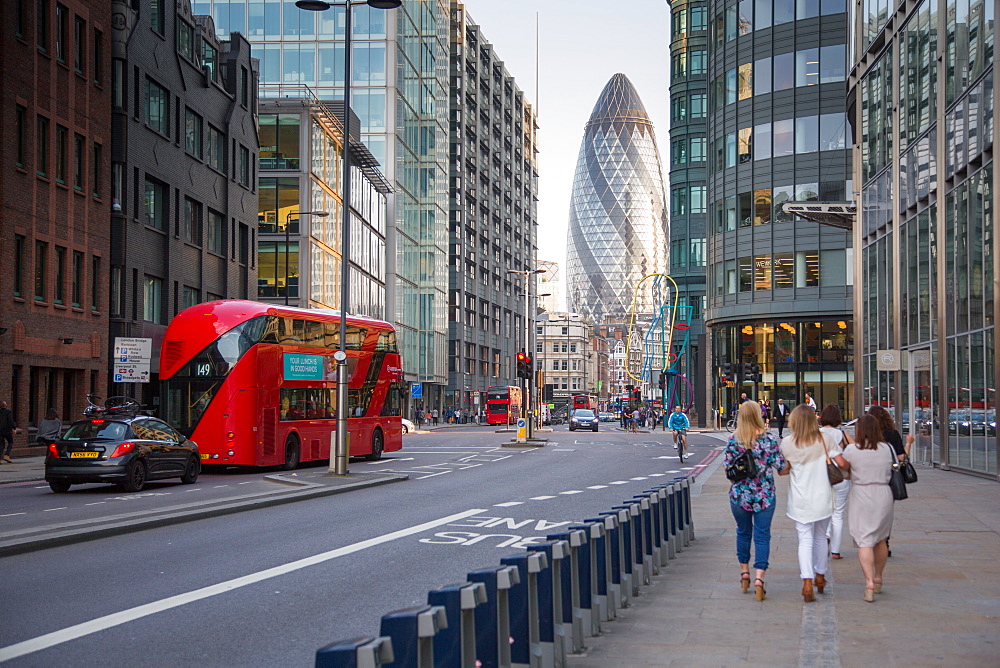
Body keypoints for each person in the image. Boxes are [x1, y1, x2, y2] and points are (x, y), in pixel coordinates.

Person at [779, 404, 848, 602]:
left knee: (805, 539)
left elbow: (782, 469)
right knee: (819, 537)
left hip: (800, 500)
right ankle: (820, 575)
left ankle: (807, 581)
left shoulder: (787, 443)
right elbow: (842, 463)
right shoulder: (824, 439)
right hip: (823, 497)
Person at [724, 400, 786, 601]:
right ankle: (759, 578)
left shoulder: (734, 440)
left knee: (743, 533)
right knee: (762, 536)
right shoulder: (768, 440)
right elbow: (782, 468)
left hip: (740, 496)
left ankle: (744, 573)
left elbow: (727, 469)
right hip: (764, 496)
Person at [839, 414, 895, 602]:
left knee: (864, 540)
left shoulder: (852, 450)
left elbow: (844, 472)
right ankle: (878, 577)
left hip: (862, 494)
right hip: (884, 494)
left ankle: (869, 581)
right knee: (881, 539)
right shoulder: (887, 449)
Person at [867, 405, 912, 557]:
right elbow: (901, 457)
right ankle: (884, 542)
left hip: (867, 479)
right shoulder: (892, 434)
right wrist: (908, 443)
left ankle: (871, 541)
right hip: (887, 480)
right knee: (885, 513)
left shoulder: (866, 435)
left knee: (870, 512)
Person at [818, 405, 852, 560]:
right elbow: (855, 450)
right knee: (838, 514)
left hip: (820, 477)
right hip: (841, 477)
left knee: (823, 511)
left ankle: (824, 536)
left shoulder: (816, 434)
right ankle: (836, 551)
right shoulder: (843, 435)